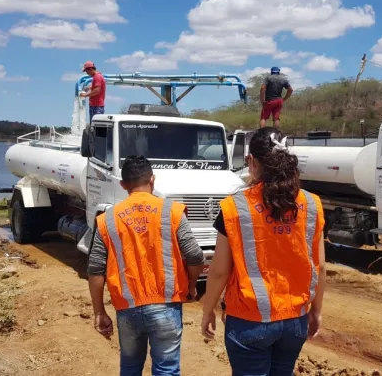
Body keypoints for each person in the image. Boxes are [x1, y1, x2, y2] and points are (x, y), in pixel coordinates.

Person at [200, 127, 327, 376]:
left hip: (249, 322)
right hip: (294, 321)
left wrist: (208, 310)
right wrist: (316, 311)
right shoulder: (311, 204)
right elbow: (319, 265)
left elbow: (218, 271)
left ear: (251, 161)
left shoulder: (235, 207)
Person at [87, 155, 205, 376]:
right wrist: (191, 286)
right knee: (166, 370)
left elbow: (95, 269)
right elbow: (195, 256)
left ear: (123, 185)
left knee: (130, 368)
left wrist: (99, 311)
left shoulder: (108, 219)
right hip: (166, 306)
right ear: (152, 179)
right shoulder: (172, 211)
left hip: (127, 308)